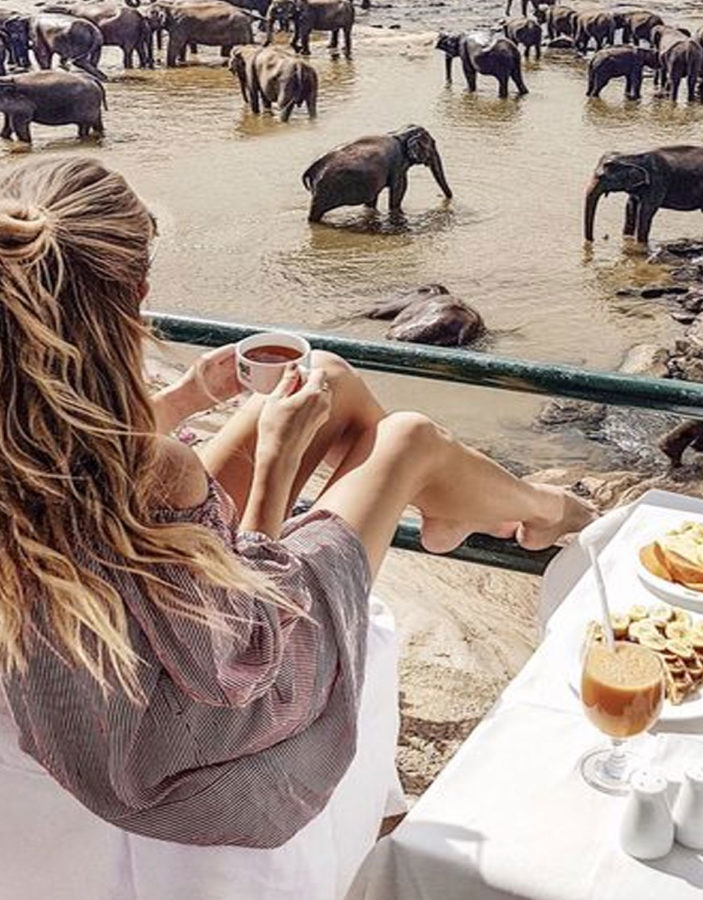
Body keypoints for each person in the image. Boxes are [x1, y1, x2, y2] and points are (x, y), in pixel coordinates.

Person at [0, 156, 594, 851]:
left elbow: (77, 459)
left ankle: (456, 505)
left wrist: (189, 397)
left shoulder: (31, 432)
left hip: (110, 639)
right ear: (138, 291)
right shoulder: (161, 470)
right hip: (179, 740)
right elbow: (242, 659)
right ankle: (543, 510)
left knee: (326, 375)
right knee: (407, 439)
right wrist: (277, 460)